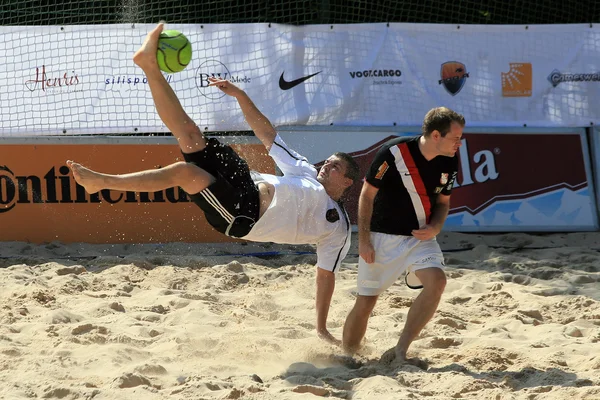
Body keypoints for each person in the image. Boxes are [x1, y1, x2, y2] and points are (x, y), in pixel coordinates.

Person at [66, 23, 359, 345]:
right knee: (191, 135)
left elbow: (325, 275)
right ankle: (149, 67)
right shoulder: (304, 170)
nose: (326, 165)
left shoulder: (339, 228)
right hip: (246, 182)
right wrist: (240, 95)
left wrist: (321, 327)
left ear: (346, 181)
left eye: (334, 166)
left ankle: (101, 182)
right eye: (327, 161)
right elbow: (268, 135)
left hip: (242, 216)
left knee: (185, 173)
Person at [341, 107, 465, 365]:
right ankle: (348, 356)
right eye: (455, 137)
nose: (459, 143)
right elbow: (366, 195)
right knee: (366, 302)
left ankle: (400, 350)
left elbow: (443, 202)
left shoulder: (450, 158)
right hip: (381, 236)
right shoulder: (394, 152)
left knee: (437, 282)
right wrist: (363, 240)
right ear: (435, 135)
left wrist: (436, 228)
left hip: (419, 236)